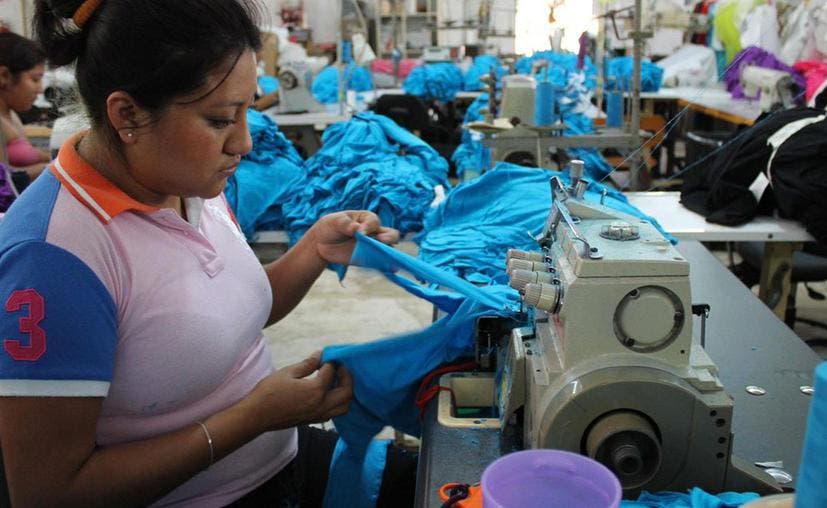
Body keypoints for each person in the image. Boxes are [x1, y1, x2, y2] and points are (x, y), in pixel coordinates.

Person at [0, 1, 415, 507]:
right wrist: (253, 417)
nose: (243, 143)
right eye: (220, 120)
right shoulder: (53, 257)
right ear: (127, 114)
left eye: (247, 111)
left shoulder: (188, 179)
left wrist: (314, 249)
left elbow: (229, 314)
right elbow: (48, 494)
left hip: (281, 458)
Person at [0, 32, 51, 191]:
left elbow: (29, 154)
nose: (41, 89)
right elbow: (4, 181)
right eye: (35, 79)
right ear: (4, 76)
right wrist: (53, 168)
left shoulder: (10, 114)